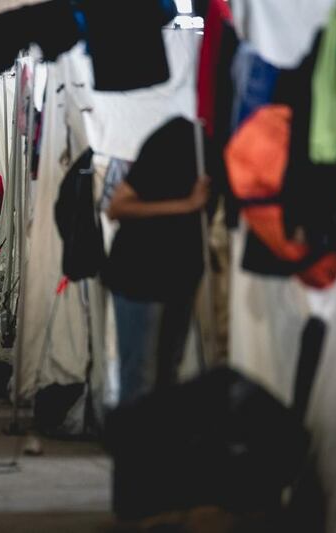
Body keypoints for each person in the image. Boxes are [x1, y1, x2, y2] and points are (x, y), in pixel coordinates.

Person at [103, 117, 210, 405]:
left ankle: (156, 446)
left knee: (168, 375)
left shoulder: (218, 145)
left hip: (183, 273)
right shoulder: (176, 137)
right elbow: (116, 207)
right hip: (140, 272)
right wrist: (186, 206)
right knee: (140, 376)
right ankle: (134, 447)